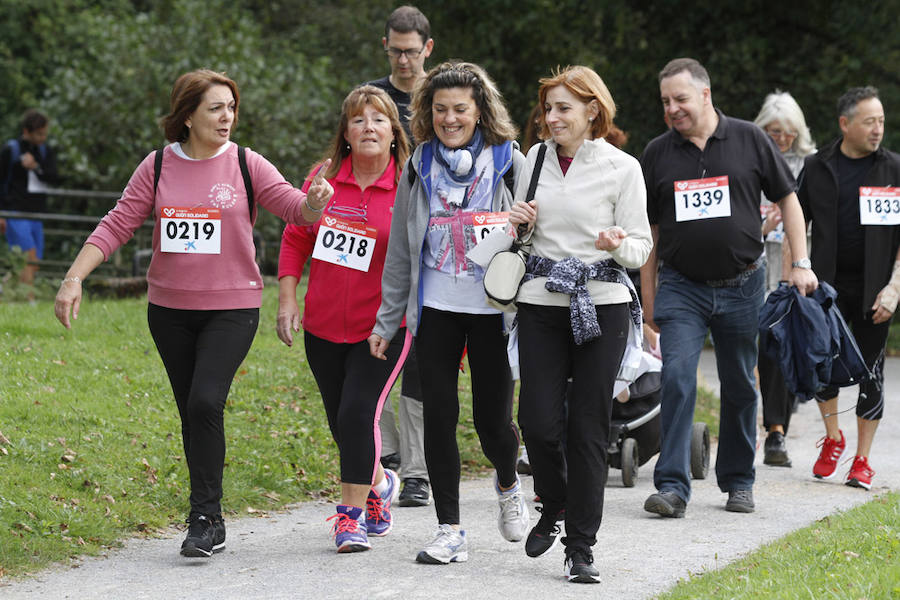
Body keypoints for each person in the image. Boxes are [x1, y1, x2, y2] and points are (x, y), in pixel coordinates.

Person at [53, 69, 333, 558]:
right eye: (215, 108)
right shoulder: (159, 165)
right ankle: (208, 518)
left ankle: (205, 516)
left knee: (205, 401)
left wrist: (312, 203)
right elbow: (118, 223)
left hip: (233, 307)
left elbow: (294, 208)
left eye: (232, 108)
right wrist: (74, 277)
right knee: (192, 411)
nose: (227, 117)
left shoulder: (246, 162)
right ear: (187, 116)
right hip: (170, 312)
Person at [639, 58, 817, 518]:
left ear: (705, 94)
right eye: (665, 101)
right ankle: (672, 487)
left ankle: (739, 480)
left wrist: (801, 263)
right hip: (681, 286)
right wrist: (648, 298)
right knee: (677, 378)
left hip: (742, 284)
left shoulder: (749, 138)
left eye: (680, 99)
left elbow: (788, 200)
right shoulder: (657, 153)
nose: (672, 109)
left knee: (740, 383)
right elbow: (650, 232)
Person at [368, 61, 528, 565]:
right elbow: (400, 248)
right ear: (426, 112)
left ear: (480, 111)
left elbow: (538, 232)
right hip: (435, 308)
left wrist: (524, 224)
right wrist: (387, 319)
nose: (449, 119)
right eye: (440, 109)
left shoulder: (509, 160)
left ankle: (508, 482)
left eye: (460, 109)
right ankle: (449, 529)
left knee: (492, 424)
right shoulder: (419, 164)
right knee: (439, 418)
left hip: (492, 310)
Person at [509, 65, 652, 584]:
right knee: (537, 422)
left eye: (563, 108)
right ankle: (555, 502)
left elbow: (641, 247)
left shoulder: (623, 167)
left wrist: (618, 243)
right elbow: (520, 236)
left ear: (593, 111)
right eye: (548, 108)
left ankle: (580, 547)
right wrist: (518, 223)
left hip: (603, 302)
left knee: (588, 426)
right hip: (540, 300)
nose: (551, 118)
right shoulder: (533, 159)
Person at [276, 85, 411, 552]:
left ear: (393, 131)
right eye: (358, 120)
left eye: (378, 119)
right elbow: (296, 238)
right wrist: (288, 299)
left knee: (357, 413)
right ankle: (381, 484)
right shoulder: (324, 178)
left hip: (384, 328)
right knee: (343, 423)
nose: (368, 127)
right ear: (346, 133)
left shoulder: (410, 184)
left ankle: (349, 519)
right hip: (324, 326)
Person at [796, 86, 900, 490]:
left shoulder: (893, 168)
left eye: (881, 121)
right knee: (824, 366)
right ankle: (833, 438)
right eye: (869, 122)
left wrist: (894, 289)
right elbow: (797, 221)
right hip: (827, 290)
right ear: (845, 124)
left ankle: (862, 460)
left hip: (877, 291)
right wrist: (797, 272)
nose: (878, 129)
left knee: (872, 372)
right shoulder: (816, 166)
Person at [365, 4, 433, 507]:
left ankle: (418, 472)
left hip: (430, 241)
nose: (404, 61)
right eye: (396, 51)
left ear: (428, 48)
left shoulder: (444, 97)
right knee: (375, 352)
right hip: (379, 238)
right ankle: (383, 455)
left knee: (420, 366)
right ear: (385, 47)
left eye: (412, 51)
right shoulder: (373, 97)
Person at [752, 91, 817, 468]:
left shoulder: (809, 165)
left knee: (788, 350)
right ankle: (769, 429)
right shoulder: (749, 160)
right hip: (754, 270)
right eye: (774, 131)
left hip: (795, 269)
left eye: (789, 132)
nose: (781, 139)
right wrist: (764, 225)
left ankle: (778, 426)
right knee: (765, 350)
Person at [0, 109, 61, 292]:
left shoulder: (45, 151)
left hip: (37, 212)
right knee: (28, 258)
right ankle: (29, 300)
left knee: (33, 263)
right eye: (39, 134)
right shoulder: (11, 150)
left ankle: (4, 289)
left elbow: (55, 177)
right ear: (26, 131)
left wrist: (35, 167)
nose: (43, 137)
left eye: (45, 133)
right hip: (15, 212)